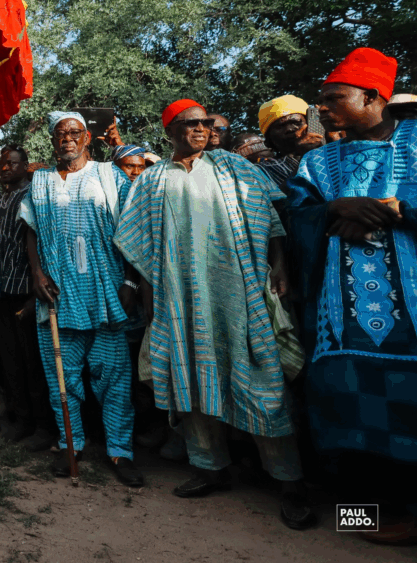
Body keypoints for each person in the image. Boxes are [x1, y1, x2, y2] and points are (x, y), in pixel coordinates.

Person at [115, 99, 313, 530]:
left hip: (241, 293)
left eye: (206, 122)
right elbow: (139, 246)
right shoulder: (150, 181)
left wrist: (278, 266)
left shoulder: (235, 167)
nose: (202, 129)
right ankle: (210, 467)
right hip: (180, 298)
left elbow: (272, 223)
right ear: (169, 131)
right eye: (190, 124)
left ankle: (289, 480)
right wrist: (151, 298)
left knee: (264, 379)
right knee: (190, 378)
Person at [285, 48, 417, 544]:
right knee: (343, 412)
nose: (322, 108)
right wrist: (337, 207)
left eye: (334, 98)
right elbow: (298, 221)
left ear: (374, 97)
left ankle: (408, 517)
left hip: (411, 320)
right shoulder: (317, 162)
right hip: (338, 321)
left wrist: (398, 211)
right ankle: (361, 520)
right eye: (320, 100)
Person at [20, 111, 143, 487]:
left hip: (105, 291)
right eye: (61, 134)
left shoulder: (110, 175)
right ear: (54, 141)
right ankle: (70, 444)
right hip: (57, 293)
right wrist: (37, 274)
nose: (67, 139)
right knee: (63, 378)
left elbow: (135, 230)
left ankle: (120, 451)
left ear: (87, 138)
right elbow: (31, 232)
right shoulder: (39, 181)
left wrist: (131, 282)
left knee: (114, 378)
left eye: (74, 133)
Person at [0, 146, 54, 449]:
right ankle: (21, 421)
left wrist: (38, 290)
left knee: (32, 363)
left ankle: (44, 426)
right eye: (3, 163)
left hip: (24, 293)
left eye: (13, 163)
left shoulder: (33, 197)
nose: (6, 167)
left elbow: (42, 243)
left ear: (26, 167)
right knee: (9, 363)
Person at [256, 96, 325, 189]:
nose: (290, 129)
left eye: (296, 122)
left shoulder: (330, 147)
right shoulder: (261, 170)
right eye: (280, 127)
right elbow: (282, 199)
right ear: (268, 142)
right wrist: (306, 157)